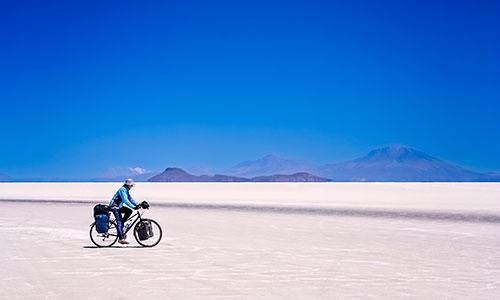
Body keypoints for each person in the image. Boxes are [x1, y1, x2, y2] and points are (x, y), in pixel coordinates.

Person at [109, 178, 139, 244]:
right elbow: (125, 200)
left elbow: (130, 199)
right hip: (114, 207)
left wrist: (138, 204)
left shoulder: (126, 190)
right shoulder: (123, 190)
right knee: (119, 222)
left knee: (129, 211)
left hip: (119, 206)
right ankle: (121, 238)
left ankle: (121, 225)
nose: (132, 186)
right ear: (128, 185)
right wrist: (133, 207)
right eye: (131, 185)